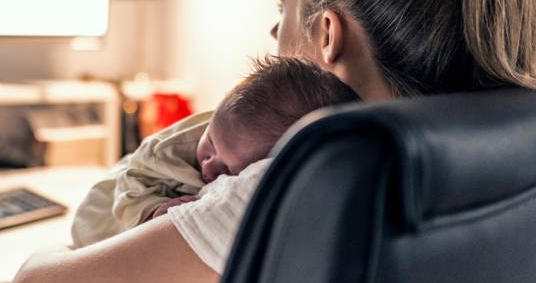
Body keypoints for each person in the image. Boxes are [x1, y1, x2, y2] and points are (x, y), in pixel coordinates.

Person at [11, 0, 536, 283]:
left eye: (281, 9)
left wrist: (51, 246)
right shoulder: (486, 147)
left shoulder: (296, 181)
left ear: (327, 34)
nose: (273, 33)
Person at [71, 56, 361, 247]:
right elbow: (132, 179)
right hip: (105, 205)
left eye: (227, 170)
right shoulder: (167, 150)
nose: (209, 167)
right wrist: (151, 212)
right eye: (209, 144)